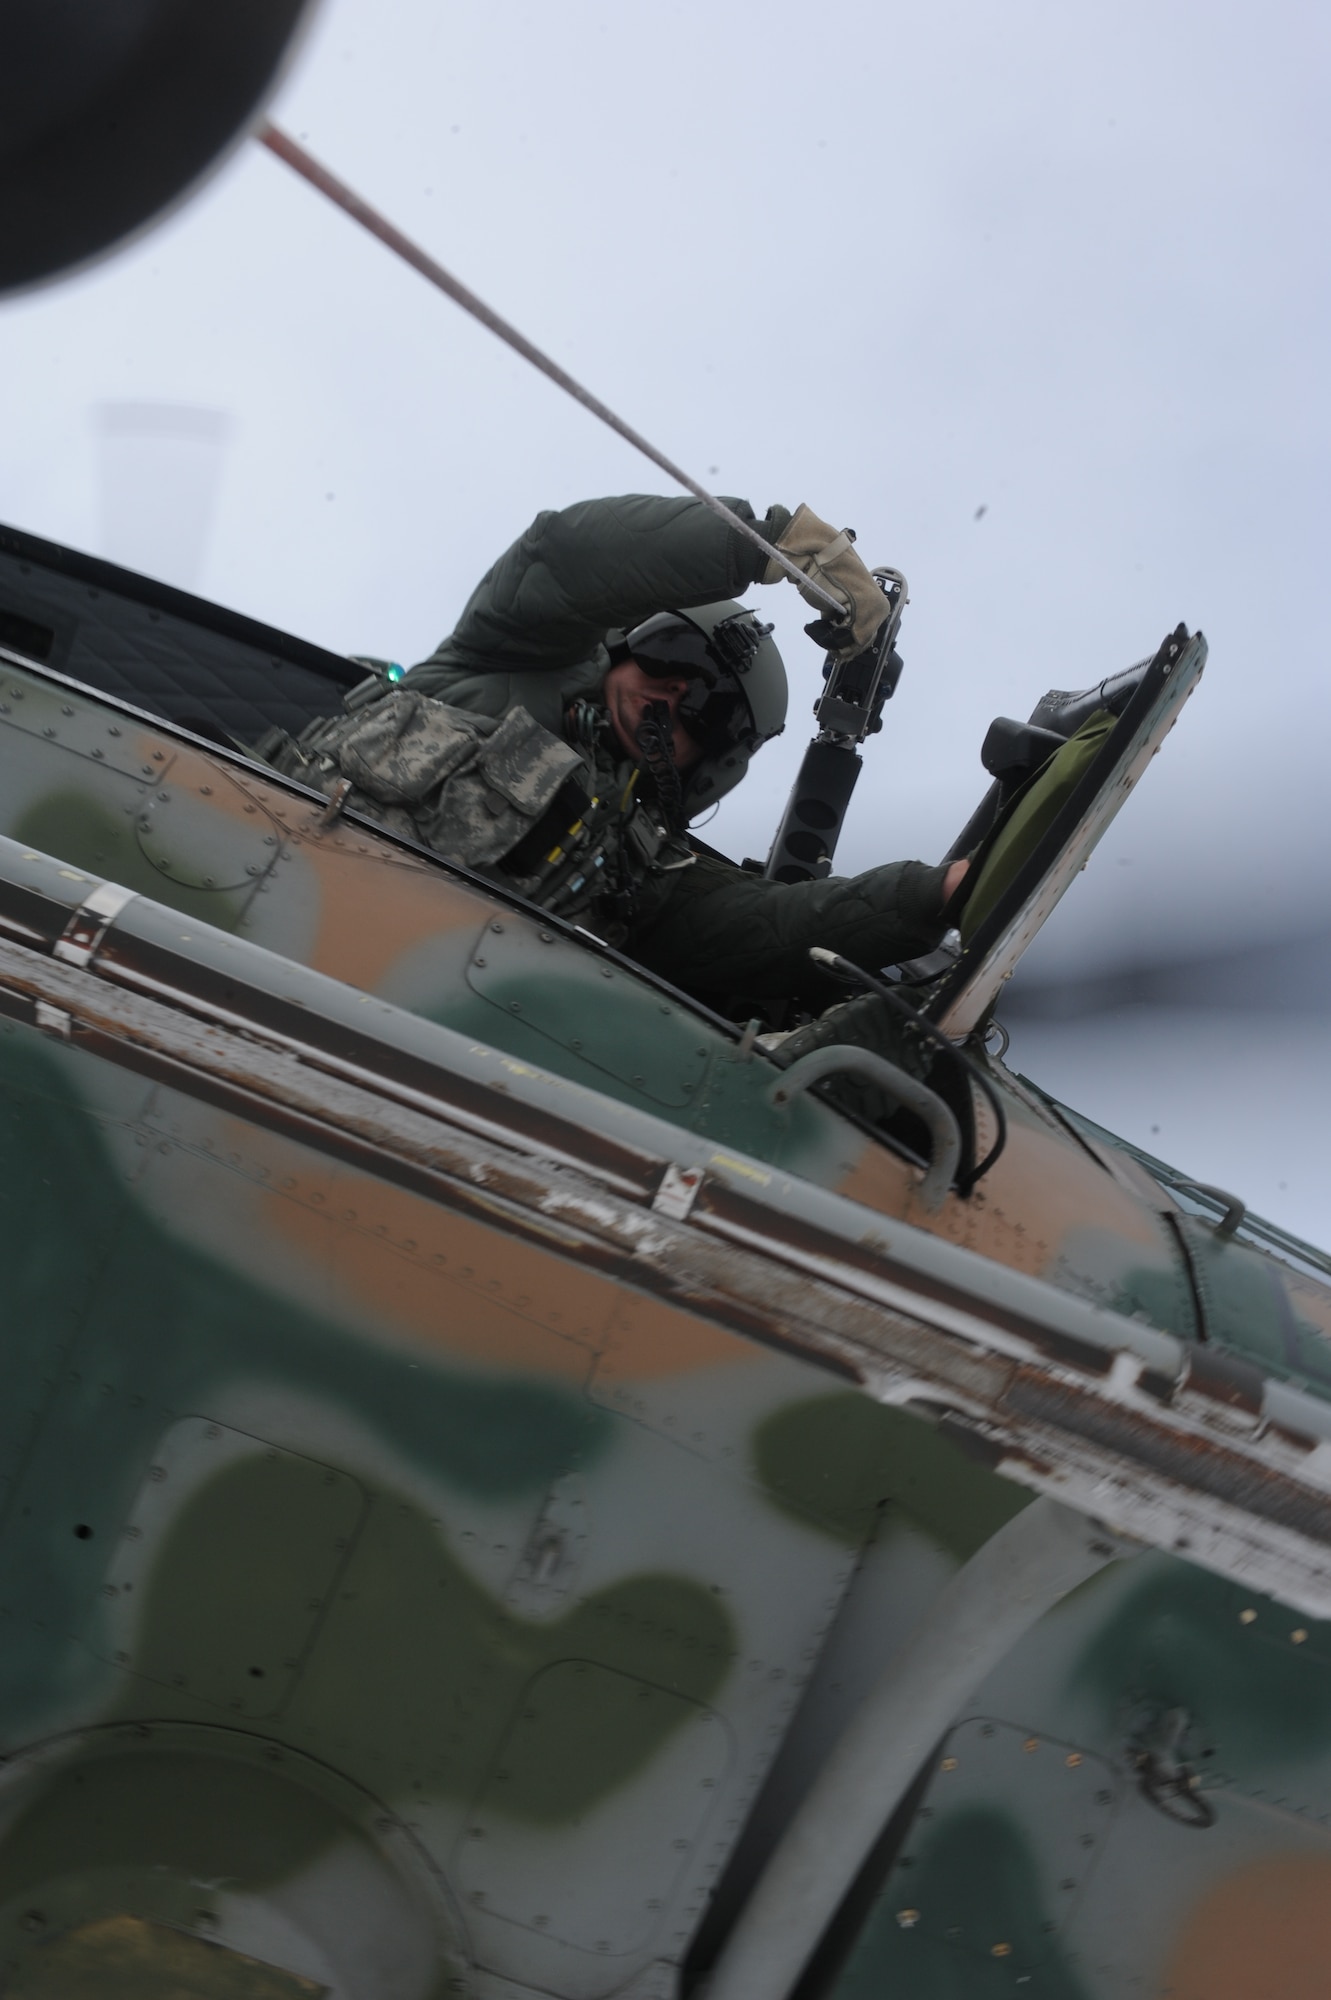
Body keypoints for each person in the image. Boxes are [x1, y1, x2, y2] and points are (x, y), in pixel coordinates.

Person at [260, 493, 966, 1013]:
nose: (671, 691)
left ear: (714, 761)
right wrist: (764, 542)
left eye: (707, 705)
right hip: (261, 879)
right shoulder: (500, 661)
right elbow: (562, 558)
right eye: (671, 655)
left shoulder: (649, 874)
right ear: (625, 642)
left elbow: (775, 929)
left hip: (382, 1005)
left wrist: (926, 897)